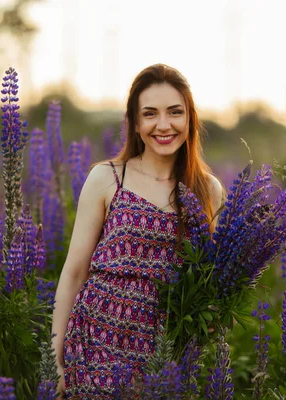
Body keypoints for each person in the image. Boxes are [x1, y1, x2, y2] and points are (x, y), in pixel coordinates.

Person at [51, 63, 225, 399]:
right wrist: (54, 361)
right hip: (95, 343)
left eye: (175, 112)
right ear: (135, 122)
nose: (164, 125)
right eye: (150, 114)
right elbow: (73, 272)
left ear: (190, 118)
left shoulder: (207, 189)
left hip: (164, 354)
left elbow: (207, 282)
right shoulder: (107, 178)